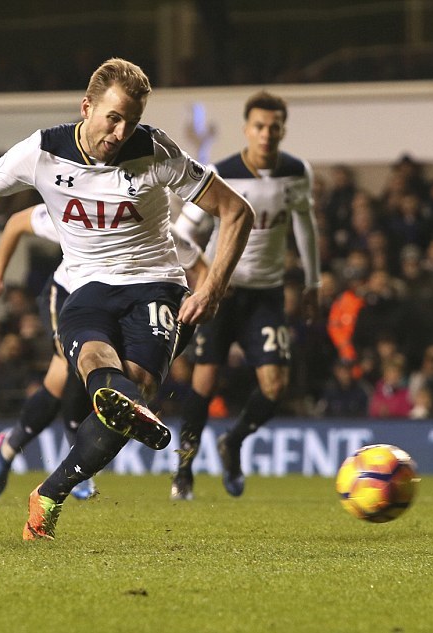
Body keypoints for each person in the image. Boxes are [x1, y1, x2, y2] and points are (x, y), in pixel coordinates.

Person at [0, 58, 254, 540]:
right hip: (85, 287)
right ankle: (112, 407)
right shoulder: (41, 151)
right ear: (87, 107)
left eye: (132, 121)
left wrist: (211, 287)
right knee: (109, 379)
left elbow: (235, 211)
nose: (121, 132)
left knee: (131, 388)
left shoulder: (158, 151)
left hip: (157, 284)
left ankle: (49, 493)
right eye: (113, 118)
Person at [0, 203, 208, 502]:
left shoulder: (158, 231)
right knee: (75, 370)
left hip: (124, 305)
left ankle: (8, 448)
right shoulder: (79, 207)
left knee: (62, 383)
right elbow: (17, 221)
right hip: (67, 295)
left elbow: (202, 268)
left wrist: (197, 306)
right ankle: (71, 466)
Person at [171, 90, 321, 500]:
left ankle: (232, 442)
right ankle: (183, 472)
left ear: (282, 130)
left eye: (274, 127)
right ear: (246, 129)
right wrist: (207, 275)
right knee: (204, 382)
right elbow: (182, 233)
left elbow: (305, 226)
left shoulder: (296, 172)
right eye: (259, 126)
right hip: (222, 295)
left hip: (267, 294)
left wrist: (313, 282)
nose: (267, 134)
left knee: (276, 385)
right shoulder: (220, 173)